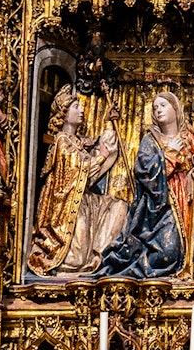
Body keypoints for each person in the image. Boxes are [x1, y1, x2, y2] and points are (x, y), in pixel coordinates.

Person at [96, 92, 194, 278]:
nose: (158, 109)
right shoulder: (150, 140)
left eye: (163, 105)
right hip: (158, 205)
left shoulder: (188, 134)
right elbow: (143, 171)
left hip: (188, 196)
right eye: (155, 107)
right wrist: (169, 155)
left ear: (175, 109)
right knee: (166, 252)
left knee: (185, 244)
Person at [27, 86, 124, 276]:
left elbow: (92, 166)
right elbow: (80, 170)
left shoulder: (76, 141)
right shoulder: (62, 141)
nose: (81, 110)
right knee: (76, 259)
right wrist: (100, 158)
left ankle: (104, 255)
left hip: (83, 201)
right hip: (64, 209)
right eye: (76, 106)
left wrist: (108, 125)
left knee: (119, 206)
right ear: (63, 112)